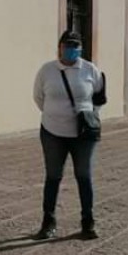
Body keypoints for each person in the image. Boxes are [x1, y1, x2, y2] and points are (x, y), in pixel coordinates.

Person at [33, 30, 106, 241]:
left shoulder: (90, 70)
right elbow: (38, 97)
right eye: (67, 45)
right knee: (53, 176)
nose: (71, 50)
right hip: (52, 131)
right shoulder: (47, 70)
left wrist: (88, 117)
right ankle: (48, 222)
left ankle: (88, 222)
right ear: (60, 47)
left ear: (80, 48)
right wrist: (56, 115)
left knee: (84, 176)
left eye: (75, 46)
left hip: (83, 135)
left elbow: (99, 97)